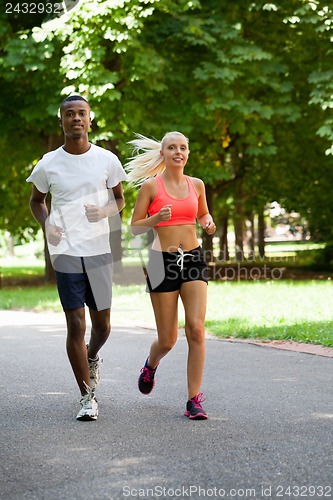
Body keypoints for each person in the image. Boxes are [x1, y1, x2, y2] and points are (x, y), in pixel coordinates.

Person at [27, 95, 127, 421]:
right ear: (61, 121)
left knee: (103, 325)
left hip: (99, 251)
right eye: (69, 114)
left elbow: (120, 200)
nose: (76, 119)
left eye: (81, 113)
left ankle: (92, 356)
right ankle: (87, 397)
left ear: (90, 119)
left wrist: (104, 212)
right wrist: (48, 224)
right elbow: (37, 201)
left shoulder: (107, 160)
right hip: (66, 252)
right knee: (75, 323)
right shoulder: (48, 163)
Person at [126, 131, 216, 419]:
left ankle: (194, 400)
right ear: (162, 153)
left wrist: (208, 221)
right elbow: (135, 226)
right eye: (172, 148)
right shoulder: (151, 187)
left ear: (188, 153)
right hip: (160, 261)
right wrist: (156, 218)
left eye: (183, 148)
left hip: (192, 258)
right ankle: (151, 364)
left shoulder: (197, 185)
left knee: (196, 329)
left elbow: (202, 214)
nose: (178, 152)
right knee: (168, 339)